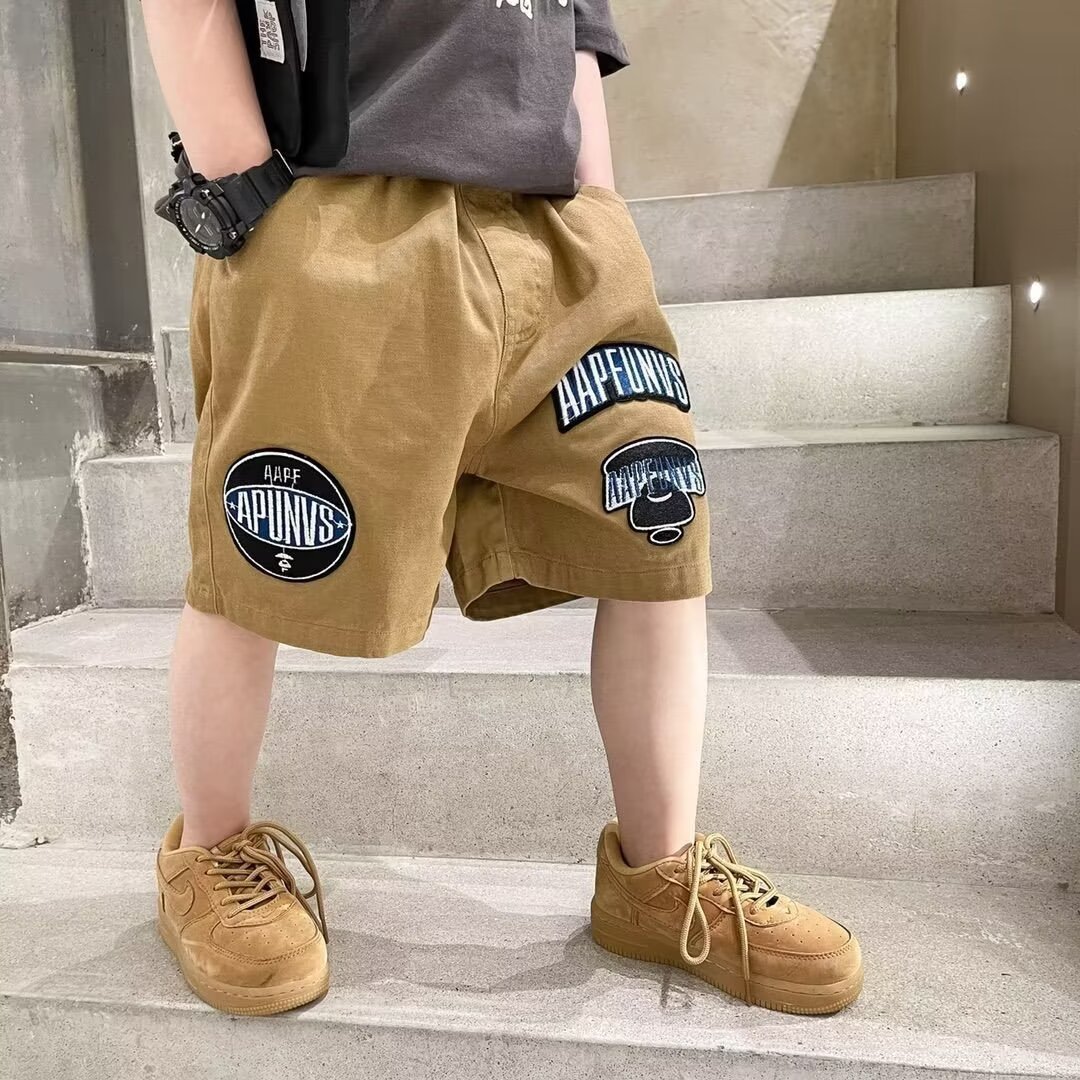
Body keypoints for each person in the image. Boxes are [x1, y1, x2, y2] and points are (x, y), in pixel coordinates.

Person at [142, 0, 863, 1019]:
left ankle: (656, 875)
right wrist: (249, 192)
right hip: (342, 212)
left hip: (559, 233)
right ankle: (211, 856)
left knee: (657, 531)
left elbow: (573, 35)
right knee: (260, 548)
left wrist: (603, 217)